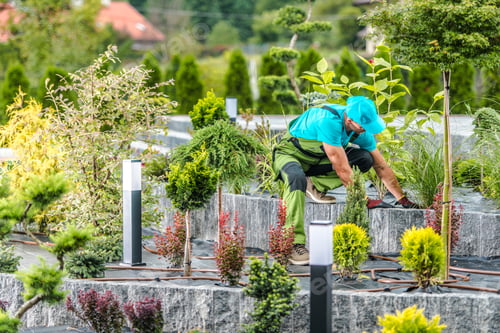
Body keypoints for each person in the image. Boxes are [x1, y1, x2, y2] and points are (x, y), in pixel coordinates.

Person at [272, 96, 418, 265]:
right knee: (296, 178)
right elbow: (341, 168)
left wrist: (403, 199)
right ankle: (293, 243)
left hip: (317, 160)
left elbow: (381, 166)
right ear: (349, 120)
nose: (366, 129)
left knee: (364, 159)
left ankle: (315, 185)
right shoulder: (327, 121)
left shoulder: (358, 131)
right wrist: (363, 199)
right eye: (364, 126)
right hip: (289, 155)